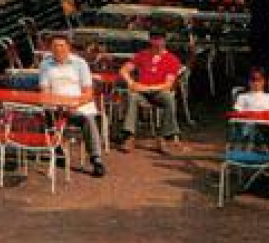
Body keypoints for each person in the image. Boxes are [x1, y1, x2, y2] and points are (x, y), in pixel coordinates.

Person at [38, 36, 106, 177]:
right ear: (51, 48)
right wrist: (56, 104)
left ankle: (96, 160)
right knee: (44, 115)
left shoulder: (80, 63)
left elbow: (88, 92)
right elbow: (44, 91)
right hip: (55, 106)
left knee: (89, 120)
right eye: (55, 46)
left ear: (69, 47)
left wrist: (75, 104)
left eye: (62, 45)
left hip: (77, 106)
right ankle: (57, 151)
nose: (58, 49)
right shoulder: (45, 65)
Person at [117, 30, 183, 152]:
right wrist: (130, 82)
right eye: (155, 39)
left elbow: (168, 84)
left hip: (158, 91)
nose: (157, 42)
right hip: (141, 92)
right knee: (132, 96)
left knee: (169, 99)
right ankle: (129, 136)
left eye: (160, 39)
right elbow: (123, 70)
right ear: (150, 40)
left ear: (164, 41)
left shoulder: (172, 59)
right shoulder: (142, 55)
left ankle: (163, 137)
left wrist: (148, 88)